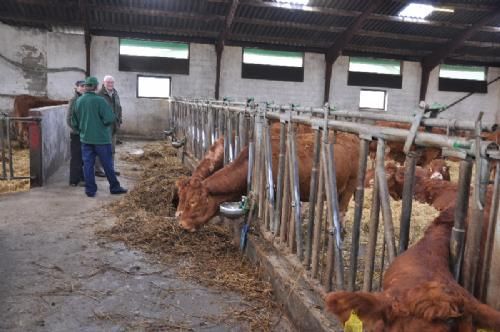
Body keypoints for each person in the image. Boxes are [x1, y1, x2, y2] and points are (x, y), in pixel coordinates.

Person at [71, 76, 127, 197]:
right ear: (96, 87)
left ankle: (90, 190)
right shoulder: (100, 101)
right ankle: (114, 187)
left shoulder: (78, 101)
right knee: (107, 164)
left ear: (85, 87)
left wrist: (82, 130)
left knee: (88, 165)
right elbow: (110, 118)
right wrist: (103, 126)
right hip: (101, 138)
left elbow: (74, 122)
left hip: (85, 139)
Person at [95, 75, 122, 177]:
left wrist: (119, 121)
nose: (110, 84)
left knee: (112, 150)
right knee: (101, 149)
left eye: (112, 82)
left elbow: (119, 108)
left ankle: (110, 169)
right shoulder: (99, 94)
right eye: (108, 82)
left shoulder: (115, 93)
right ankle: (98, 169)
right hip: (102, 127)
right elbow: (96, 111)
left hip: (114, 126)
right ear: (104, 83)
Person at [67, 80, 86, 186]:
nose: (83, 88)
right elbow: (68, 118)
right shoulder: (74, 100)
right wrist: (77, 130)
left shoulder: (83, 99)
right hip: (76, 134)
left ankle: (81, 177)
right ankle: (73, 180)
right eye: (81, 86)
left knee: (83, 157)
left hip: (84, 133)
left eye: (84, 86)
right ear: (76, 88)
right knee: (76, 157)